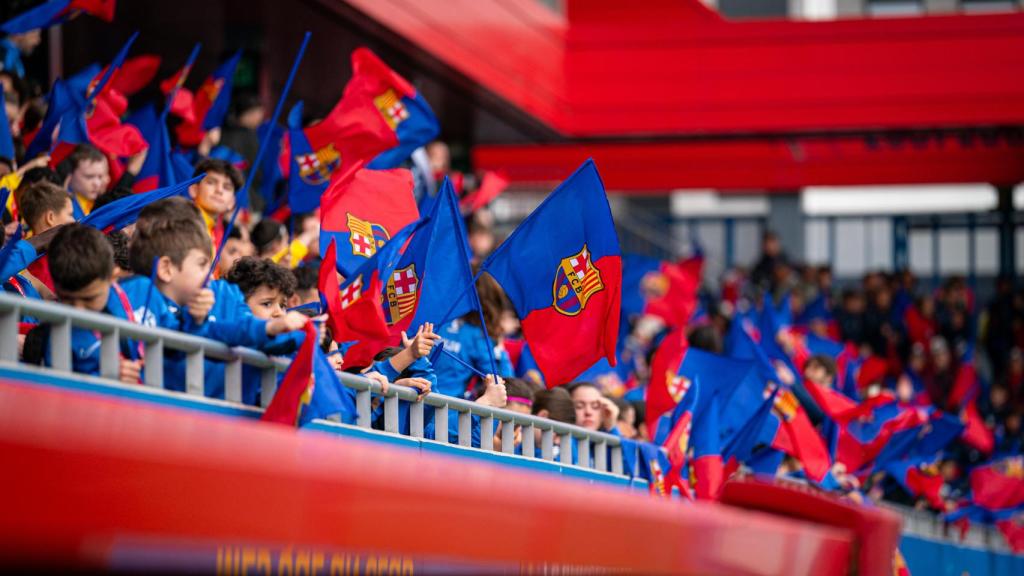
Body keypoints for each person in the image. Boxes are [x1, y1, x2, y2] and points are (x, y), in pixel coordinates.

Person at [120, 207, 307, 396]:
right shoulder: (135, 291)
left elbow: (212, 334)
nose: (209, 276)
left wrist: (300, 332)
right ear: (166, 269)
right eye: (202, 265)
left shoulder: (219, 298)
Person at [22, 224, 141, 383]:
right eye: (67, 299)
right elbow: (60, 391)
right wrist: (106, 378)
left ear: (113, 277)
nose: (78, 311)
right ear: (55, 286)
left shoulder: (140, 293)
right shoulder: (54, 338)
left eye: (89, 299)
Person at [433, 271, 513, 398]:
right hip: (445, 411)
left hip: (409, 401)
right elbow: (504, 383)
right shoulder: (478, 336)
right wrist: (500, 347)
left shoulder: (431, 315)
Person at [188, 158, 243, 249]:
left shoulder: (218, 232)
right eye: (211, 182)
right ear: (194, 190)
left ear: (231, 202)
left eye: (227, 187)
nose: (219, 190)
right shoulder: (181, 222)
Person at [58, 144, 110, 218]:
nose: (97, 183)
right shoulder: (60, 208)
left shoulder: (102, 204)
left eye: (100, 177)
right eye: (89, 177)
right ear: (70, 174)